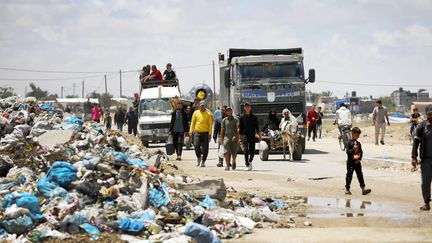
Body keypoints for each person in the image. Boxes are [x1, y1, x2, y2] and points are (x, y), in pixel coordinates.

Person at [411, 105, 432, 211]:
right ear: (426, 114)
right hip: (426, 160)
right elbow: (415, 142)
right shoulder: (421, 126)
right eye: (429, 114)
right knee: (425, 182)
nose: (431, 116)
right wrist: (414, 157)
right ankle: (427, 203)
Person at [345, 127, 371, 196]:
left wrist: (359, 159)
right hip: (350, 163)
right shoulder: (349, 143)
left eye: (358, 136)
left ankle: (363, 189)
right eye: (357, 135)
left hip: (357, 162)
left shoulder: (358, 143)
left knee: (360, 175)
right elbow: (348, 152)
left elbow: (361, 152)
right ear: (353, 134)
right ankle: (347, 189)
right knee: (349, 176)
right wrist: (353, 149)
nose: (358, 137)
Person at [189, 101, 213, 167]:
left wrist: (210, 133)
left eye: (203, 106)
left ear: (205, 106)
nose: (202, 107)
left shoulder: (208, 114)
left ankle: (203, 161)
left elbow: (210, 125)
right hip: (197, 132)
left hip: (205, 133)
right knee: (196, 146)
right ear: (199, 106)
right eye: (201, 106)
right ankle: (199, 157)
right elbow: (192, 122)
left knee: (205, 148)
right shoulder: (195, 113)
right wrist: (190, 131)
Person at [239, 102, 261, 171]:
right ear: (244, 108)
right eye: (246, 107)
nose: (247, 108)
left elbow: (257, 128)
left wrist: (259, 136)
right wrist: (240, 137)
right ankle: (247, 163)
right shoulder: (242, 117)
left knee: (252, 151)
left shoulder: (254, 117)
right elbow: (240, 128)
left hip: (252, 135)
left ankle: (250, 160)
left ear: (250, 108)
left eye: (248, 106)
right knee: (245, 150)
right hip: (245, 135)